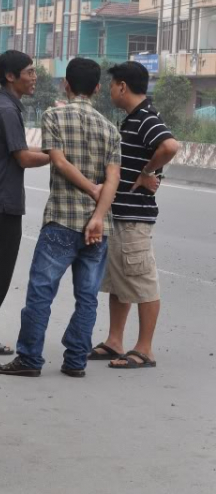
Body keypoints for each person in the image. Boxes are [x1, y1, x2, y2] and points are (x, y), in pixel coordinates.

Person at [0, 57, 121, 378]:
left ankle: (30, 359)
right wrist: (98, 215)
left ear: (66, 84)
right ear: (97, 88)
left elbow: (59, 163)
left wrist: (91, 190)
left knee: (40, 293)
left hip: (61, 222)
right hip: (97, 227)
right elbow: (114, 180)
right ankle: (76, 360)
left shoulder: (53, 116)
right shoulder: (110, 129)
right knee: (87, 297)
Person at [89, 62, 179, 369]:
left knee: (141, 281)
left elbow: (169, 145)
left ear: (122, 86)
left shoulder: (146, 118)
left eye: (113, 84)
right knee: (119, 282)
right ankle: (115, 341)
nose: (111, 89)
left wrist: (147, 172)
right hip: (119, 215)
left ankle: (144, 349)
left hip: (134, 218)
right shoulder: (132, 120)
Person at [0, 50, 50, 355]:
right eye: (29, 72)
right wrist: (57, 157)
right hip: (1, 204)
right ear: (11, 76)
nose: (34, 78)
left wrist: (50, 148)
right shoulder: (6, 110)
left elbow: (20, 148)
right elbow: (24, 158)